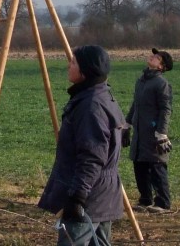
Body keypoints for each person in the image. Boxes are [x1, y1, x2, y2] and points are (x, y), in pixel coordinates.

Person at [39, 45, 126, 246]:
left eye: (73, 63)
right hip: (103, 191)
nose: (69, 66)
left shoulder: (91, 105)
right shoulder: (101, 95)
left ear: (86, 70)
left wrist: (78, 196)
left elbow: (92, 156)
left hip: (90, 194)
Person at [125, 47, 173, 213]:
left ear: (162, 67)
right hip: (140, 132)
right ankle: (145, 199)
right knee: (139, 165)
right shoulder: (141, 81)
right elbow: (135, 104)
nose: (152, 57)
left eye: (157, 57)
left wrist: (162, 133)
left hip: (153, 133)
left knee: (156, 166)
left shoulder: (161, 84)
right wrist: (127, 124)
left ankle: (163, 203)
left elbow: (165, 109)